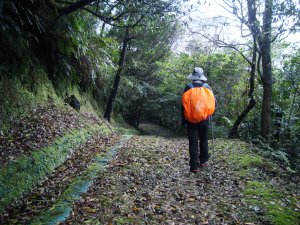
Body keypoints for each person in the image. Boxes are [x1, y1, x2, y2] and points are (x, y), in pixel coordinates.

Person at [182, 67, 215, 173]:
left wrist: (184, 121)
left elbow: (183, 106)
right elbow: (214, 104)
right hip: (204, 119)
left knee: (193, 143)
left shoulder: (188, 87)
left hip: (191, 120)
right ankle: (203, 161)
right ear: (202, 77)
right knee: (204, 140)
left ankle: (194, 166)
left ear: (193, 77)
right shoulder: (208, 87)